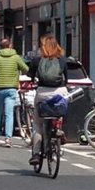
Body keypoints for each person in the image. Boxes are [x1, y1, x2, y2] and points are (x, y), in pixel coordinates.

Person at [27, 35, 69, 167]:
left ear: (42, 47)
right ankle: (60, 130)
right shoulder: (62, 60)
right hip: (60, 93)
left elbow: (30, 77)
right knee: (60, 112)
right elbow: (66, 79)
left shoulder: (37, 61)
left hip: (43, 94)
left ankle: (35, 153)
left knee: (38, 124)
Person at [0, 38, 29, 148]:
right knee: (9, 114)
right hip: (11, 88)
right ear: (10, 45)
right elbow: (26, 69)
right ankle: (8, 139)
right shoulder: (16, 58)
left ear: (0, 47)